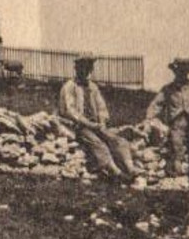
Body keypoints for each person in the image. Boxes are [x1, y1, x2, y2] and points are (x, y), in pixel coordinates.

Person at [58, 54, 137, 182]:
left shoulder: (93, 87)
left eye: (89, 67)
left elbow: (101, 107)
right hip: (77, 125)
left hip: (94, 124)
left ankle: (131, 169)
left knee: (118, 140)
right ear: (77, 68)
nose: (86, 71)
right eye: (83, 67)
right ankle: (115, 172)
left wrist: (102, 122)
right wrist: (89, 124)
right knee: (99, 144)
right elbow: (70, 111)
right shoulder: (69, 86)